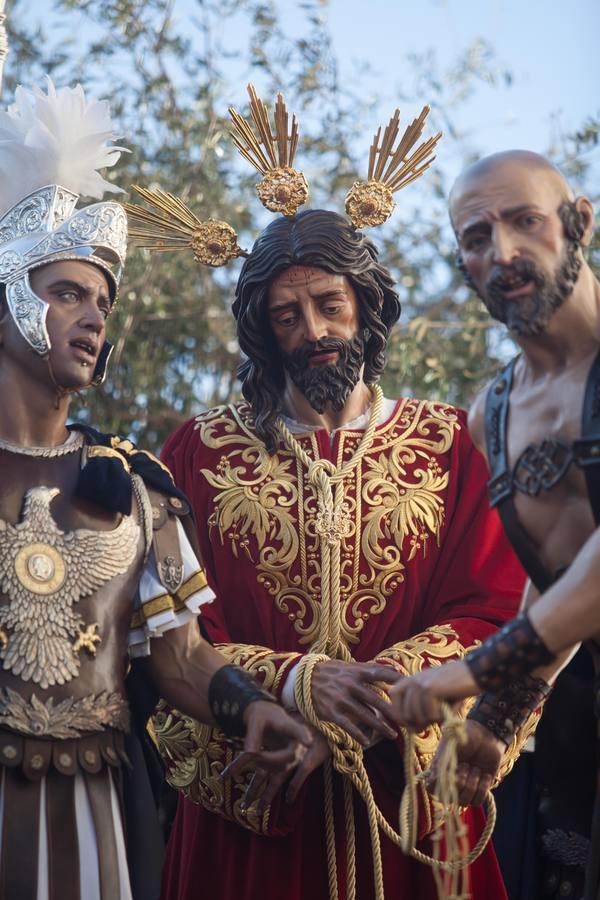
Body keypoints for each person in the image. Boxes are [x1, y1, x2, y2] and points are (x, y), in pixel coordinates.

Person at [127, 85, 538, 898]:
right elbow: (172, 633)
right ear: (263, 331)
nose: (312, 331)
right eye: (286, 316)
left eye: (329, 305)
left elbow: (496, 611)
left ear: (364, 308)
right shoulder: (199, 453)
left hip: (409, 804)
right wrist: (296, 686)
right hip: (262, 801)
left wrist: (370, 702)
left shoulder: (453, 444)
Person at [0, 78, 309, 900]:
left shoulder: (137, 488)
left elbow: (180, 656)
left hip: (97, 811)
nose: (93, 317)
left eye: (102, 301)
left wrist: (251, 707)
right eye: (67, 293)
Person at [389, 150, 600, 900]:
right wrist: (497, 719)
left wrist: (473, 671)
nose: (503, 253)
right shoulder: (494, 417)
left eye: (524, 222)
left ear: (578, 223)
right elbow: (560, 582)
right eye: (477, 238)